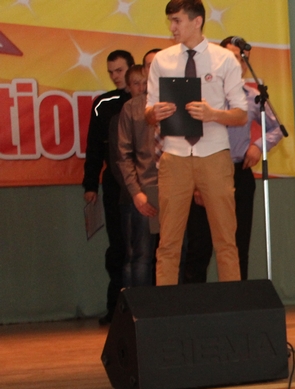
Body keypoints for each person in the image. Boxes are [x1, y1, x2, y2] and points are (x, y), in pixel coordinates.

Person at [145, 0, 248, 285]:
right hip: (174, 154)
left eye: (177, 20)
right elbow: (148, 109)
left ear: (197, 21)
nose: (172, 27)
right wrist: (154, 113)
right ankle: (166, 306)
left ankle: (232, 303)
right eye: (170, 21)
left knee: (226, 239)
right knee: (168, 242)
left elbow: (241, 114)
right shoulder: (162, 60)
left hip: (214, 153)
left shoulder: (224, 59)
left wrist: (213, 114)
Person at [182, 35, 284, 283]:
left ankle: (238, 300)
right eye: (229, 57)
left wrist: (258, 147)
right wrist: (196, 183)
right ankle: (195, 302)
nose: (235, 62)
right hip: (207, 172)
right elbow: (189, 137)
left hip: (239, 172)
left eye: (239, 58)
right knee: (200, 245)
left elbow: (278, 129)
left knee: (238, 244)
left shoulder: (252, 96)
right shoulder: (203, 95)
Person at [83, 49, 134, 324]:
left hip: (147, 183)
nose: (115, 76)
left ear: (132, 68)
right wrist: (90, 184)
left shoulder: (148, 100)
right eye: (111, 72)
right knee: (118, 246)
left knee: (147, 247)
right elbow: (94, 147)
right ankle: (116, 308)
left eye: (119, 70)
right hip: (114, 184)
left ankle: (150, 305)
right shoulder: (103, 104)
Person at [117, 65, 160, 287]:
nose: (143, 87)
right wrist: (136, 192)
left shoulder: (175, 101)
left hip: (175, 187)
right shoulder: (131, 108)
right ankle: (140, 307)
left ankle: (175, 305)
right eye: (137, 83)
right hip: (145, 188)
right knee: (142, 255)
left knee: (177, 253)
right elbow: (123, 154)